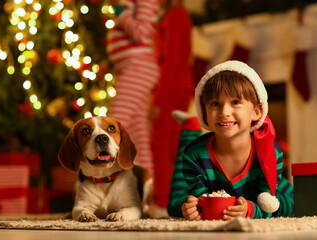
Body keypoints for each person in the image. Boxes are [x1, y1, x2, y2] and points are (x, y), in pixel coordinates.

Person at [168, 60, 294, 219]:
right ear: (205, 113)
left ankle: (190, 128)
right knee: (176, 206)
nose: (224, 112)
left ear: (256, 112)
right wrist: (194, 210)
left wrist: (251, 210)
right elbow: (202, 204)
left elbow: (266, 202)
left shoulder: (271, 153)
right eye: (215, 103)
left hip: (259, 183)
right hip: (207, 174)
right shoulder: (194, 155)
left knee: (290, 204)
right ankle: (190, 130)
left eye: (235, 102)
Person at [150, 0, 194, 209]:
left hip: (172, 88)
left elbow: (173, 61)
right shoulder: (175, 15)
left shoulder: (176, 16)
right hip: (174, 86)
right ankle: (167, 201)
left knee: (162, 145)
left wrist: (159, 98)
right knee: (168, 146)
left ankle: (163, 202)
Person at [106, 0, 159, 174]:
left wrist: (120, 12)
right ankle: (144, 192)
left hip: (139, 67)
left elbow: (141, 34)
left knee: (114, 122)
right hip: (132, 67)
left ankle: (106, 181)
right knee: (138, 135)